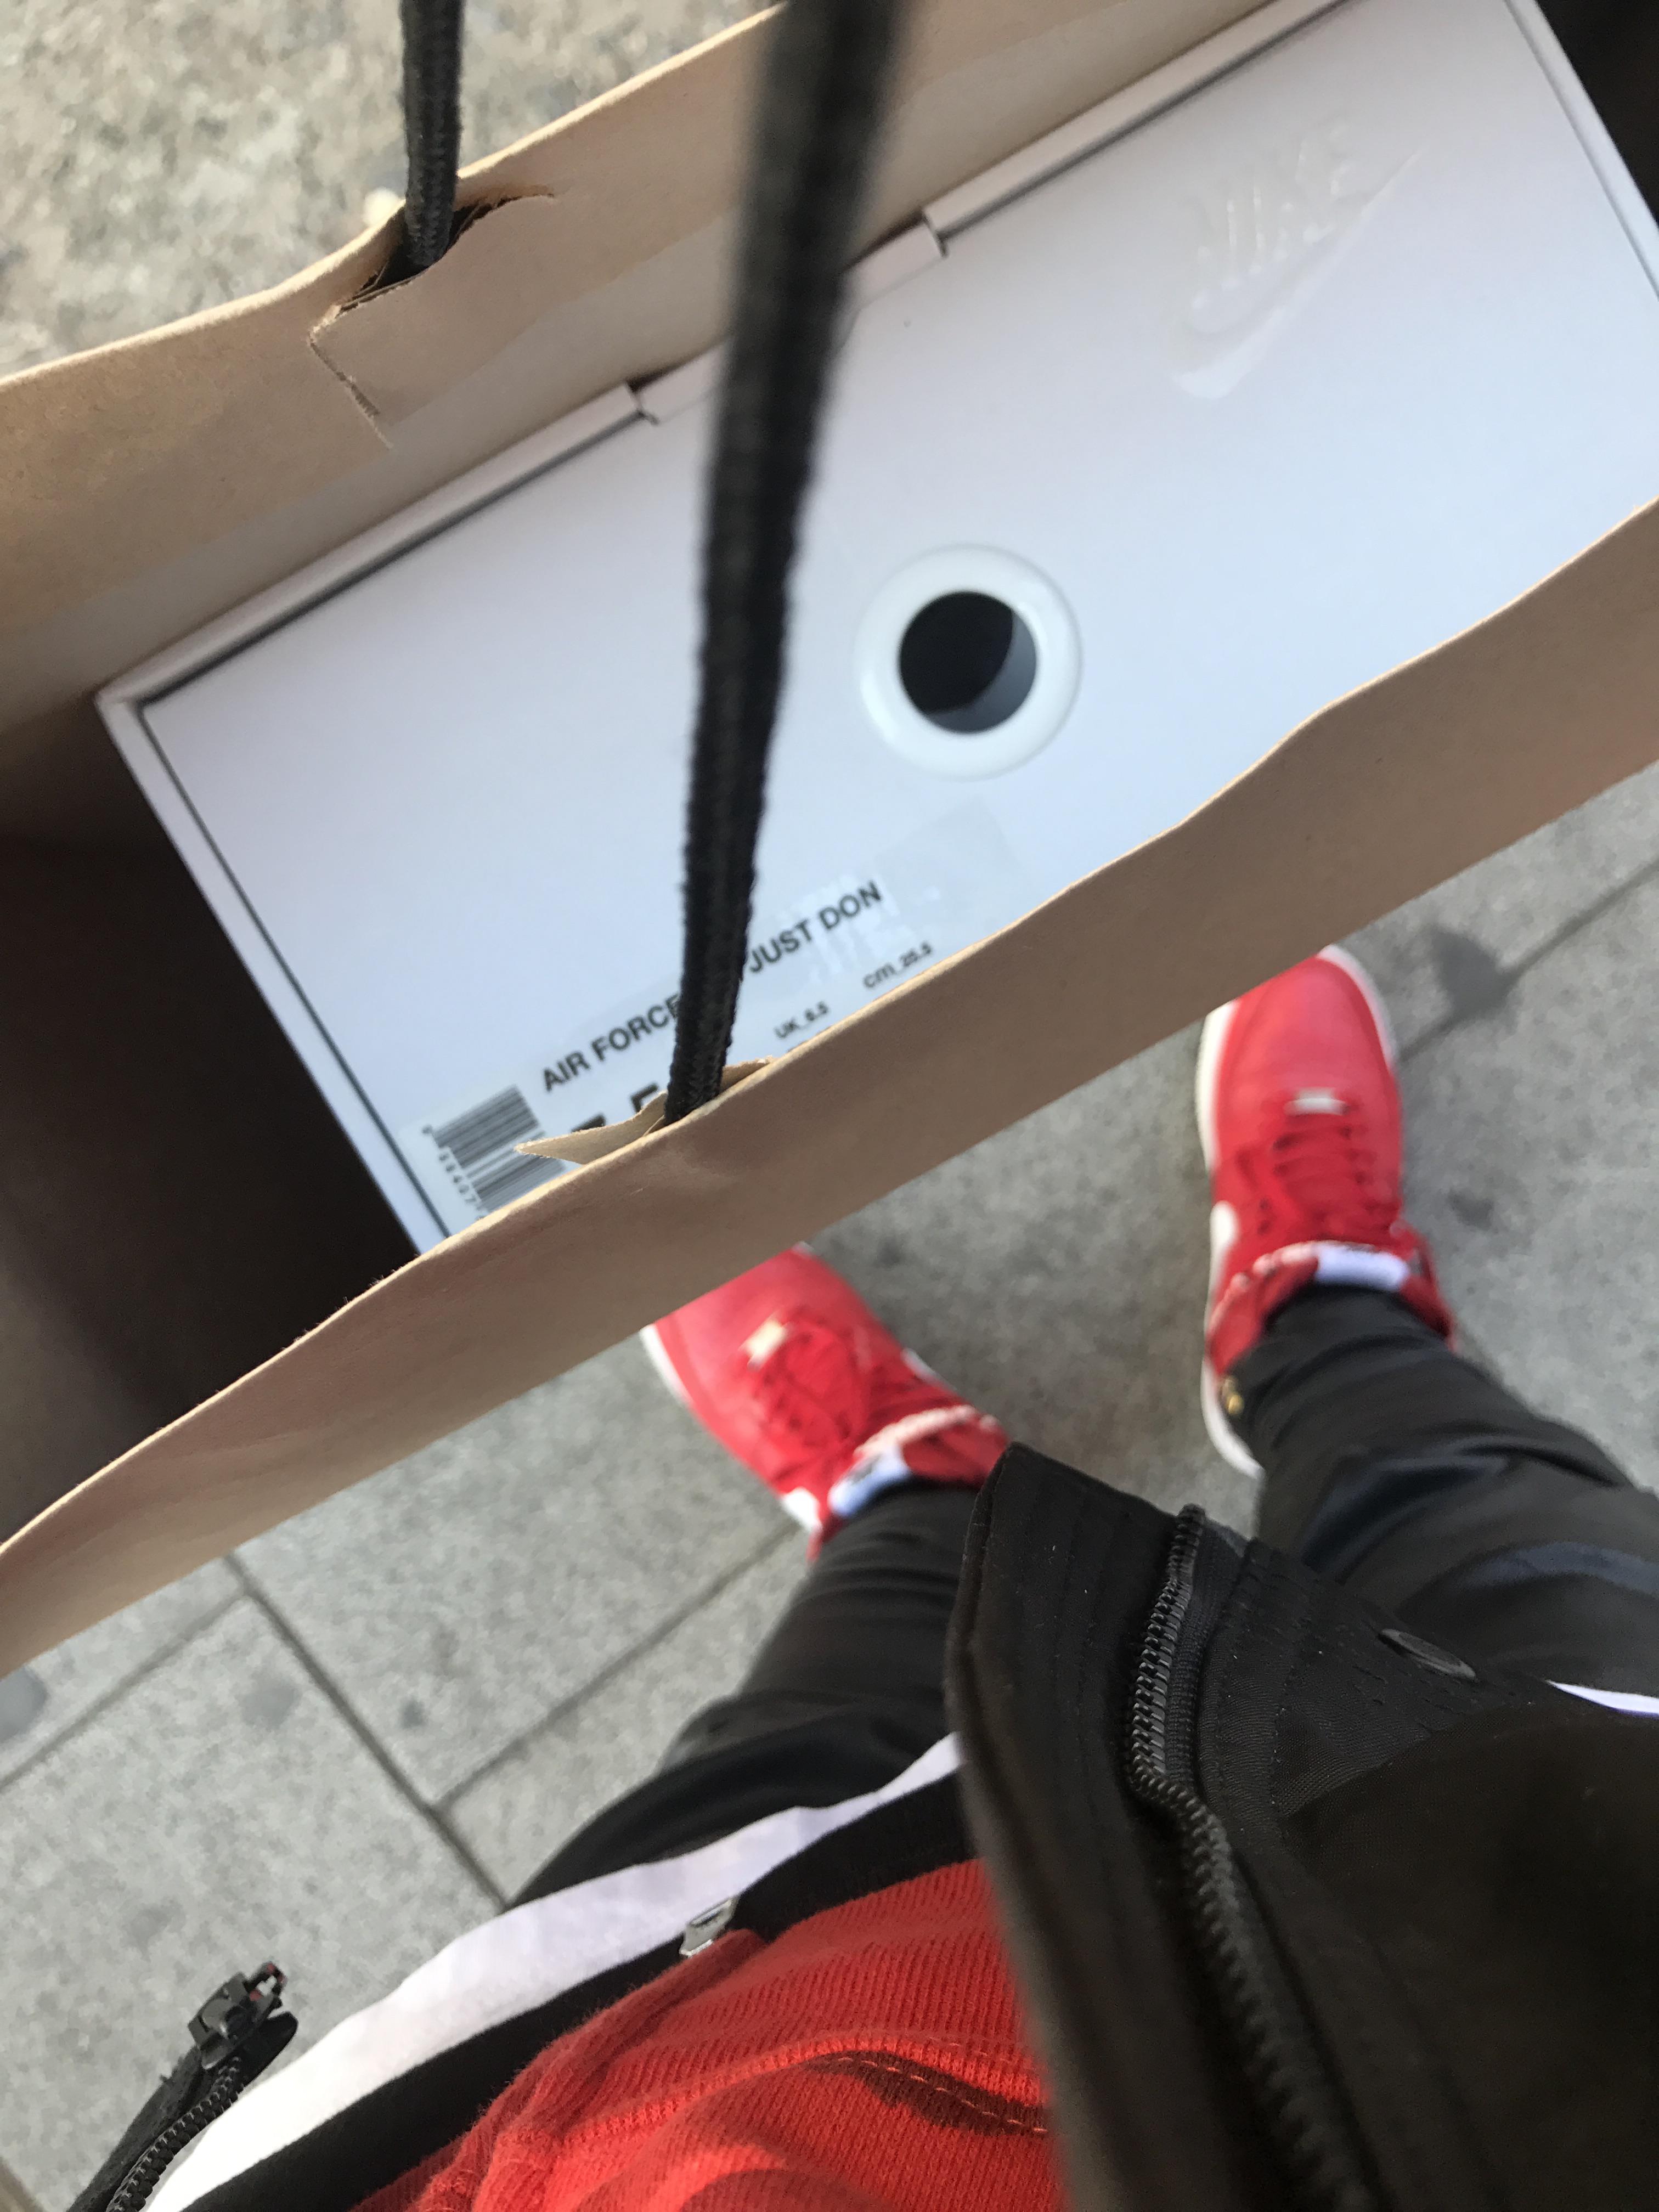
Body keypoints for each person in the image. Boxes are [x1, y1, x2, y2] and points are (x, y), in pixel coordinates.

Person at [104, 949, 1659, 2212]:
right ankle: (1323, 1326)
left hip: (589, 2090)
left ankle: (920, 1503)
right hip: (1571, 1920)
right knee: (1478, 1521)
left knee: (810, 1731)